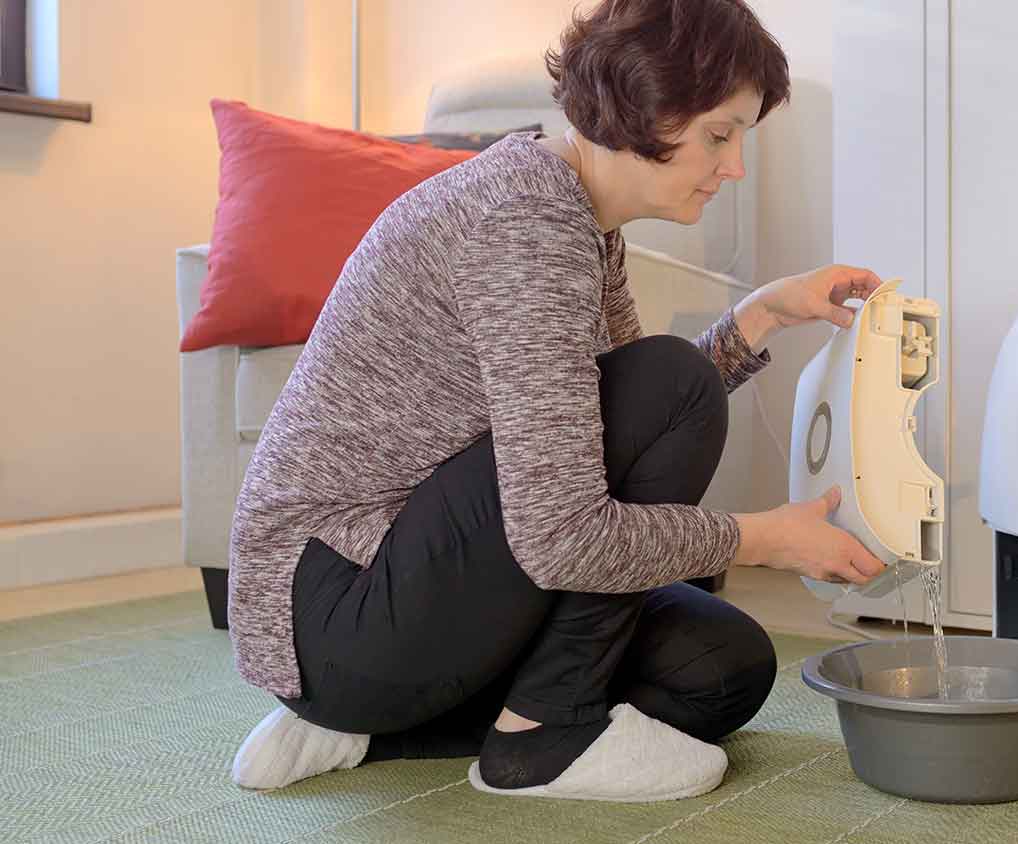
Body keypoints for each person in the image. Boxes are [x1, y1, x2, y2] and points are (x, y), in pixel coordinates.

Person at [226, 0, 886, 803]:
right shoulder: (525, 220)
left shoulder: (574, 215)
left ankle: (376, 728)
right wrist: (760, 541)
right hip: (340, 605)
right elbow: (566, 529)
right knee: (672, 383)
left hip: (405, 598)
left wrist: (764, 315)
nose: (735, 165)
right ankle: (542, 737)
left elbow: (613, 431)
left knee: (723, 669)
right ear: (644, 104)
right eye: (720, 134)